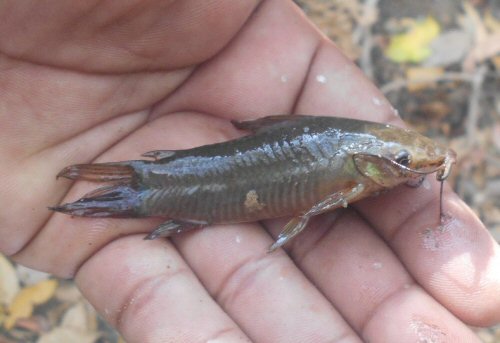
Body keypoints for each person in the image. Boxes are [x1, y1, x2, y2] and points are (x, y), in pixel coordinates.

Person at [1, 1, 498, 342]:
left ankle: (145, 192)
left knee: (180, 186)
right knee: (173, 184)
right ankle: (144, 190)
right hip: (237, 166)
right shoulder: (356, 169)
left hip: (246, 164)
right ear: (370, 161)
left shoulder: (362, 161)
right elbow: (312, 200)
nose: (417, 168)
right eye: (405, 163)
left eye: (409, 163)